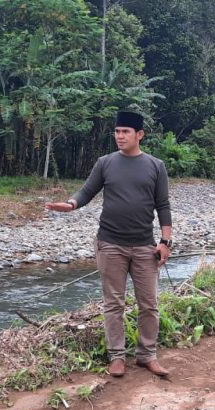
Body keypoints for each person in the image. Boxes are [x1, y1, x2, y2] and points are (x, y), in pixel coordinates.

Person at [44, 111, 172, 378]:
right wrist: (70, 205)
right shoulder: (105, 163)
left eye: (125, 131)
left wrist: (165, 241)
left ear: (140, 135)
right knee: (113, 303)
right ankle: (117, 356)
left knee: (148, 303)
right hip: (110, 243)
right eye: (117, 131)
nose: (119, 136)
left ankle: (147, 355)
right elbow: (87, 191)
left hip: (144, 246)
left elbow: (163, 205)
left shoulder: (155, 166)